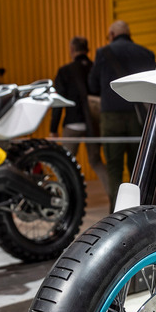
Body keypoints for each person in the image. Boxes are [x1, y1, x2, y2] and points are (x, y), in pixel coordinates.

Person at [88, 20, 156, 210]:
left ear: (111, 35)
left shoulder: (103, 53)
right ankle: (144, 212)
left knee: (114, 169)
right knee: (140, 169)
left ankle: (116, 215)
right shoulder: (145, 53)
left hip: (111, 117)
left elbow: (92, 85)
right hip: (139, 117)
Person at [51, 36, 107, 196]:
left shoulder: (65, 71)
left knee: (65, 164)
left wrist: (53, 128)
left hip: (72, 123)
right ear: (86, 49)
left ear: (72, 50)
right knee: (96, 161)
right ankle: (115, 196)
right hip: (93, 124)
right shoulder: (95, 68)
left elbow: (58, 102)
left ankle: (65, 199)